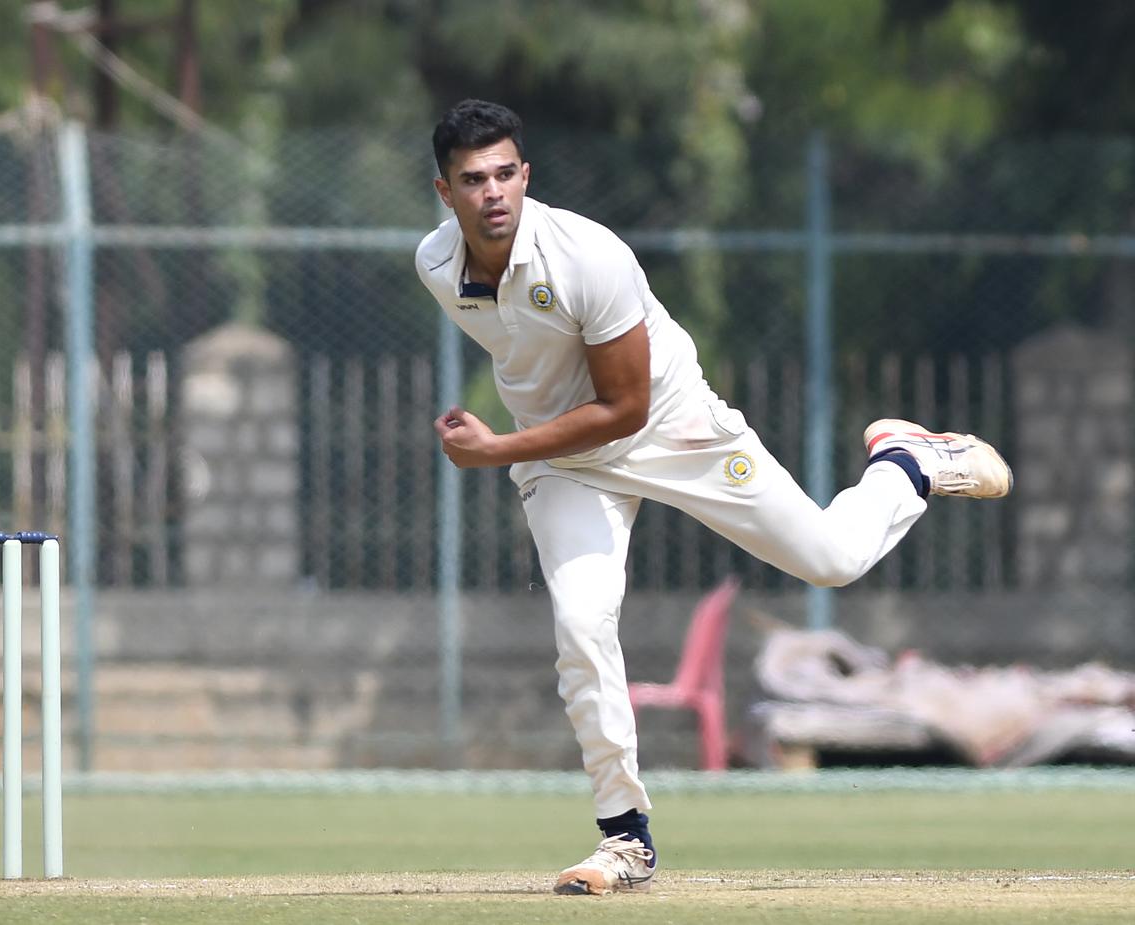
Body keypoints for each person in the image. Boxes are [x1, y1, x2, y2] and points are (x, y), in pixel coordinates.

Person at [415, 98, 1012, 896]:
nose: (492, 193)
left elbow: (623, 408)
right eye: (471, 179)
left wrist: (497, 449)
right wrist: (520, 446)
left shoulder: (592, 256)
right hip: (567, 463)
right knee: (581, 626)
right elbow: (533, 357)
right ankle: (625, 837)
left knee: (831, 560)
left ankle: (907, 463)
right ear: (444, 192)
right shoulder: (434, 264)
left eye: (504, 174)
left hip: (669, 427)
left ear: (526, 175)